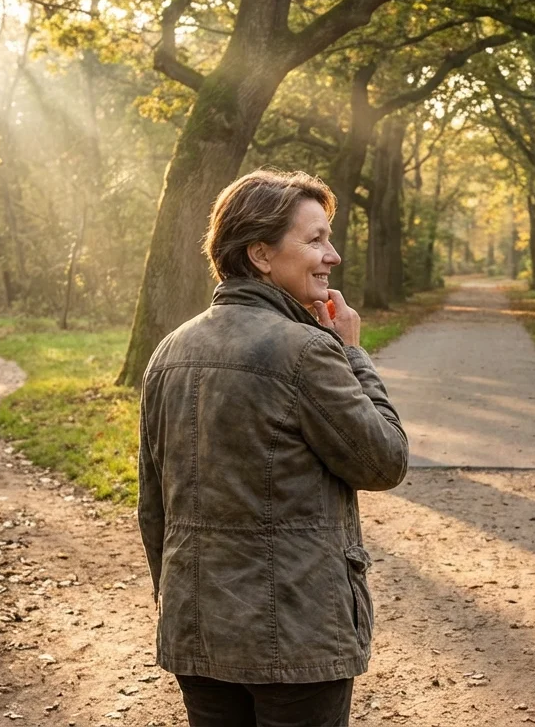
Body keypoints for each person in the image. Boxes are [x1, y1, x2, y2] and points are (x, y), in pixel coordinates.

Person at [136, 169, 409, 727]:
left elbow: (152, 508)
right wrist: (352, 353)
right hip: (296, 637)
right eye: (315, 240)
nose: (332, 256)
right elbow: (385, 461)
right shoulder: (307, 350)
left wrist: (179, 602)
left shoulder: (169, 350)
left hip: (196, 628)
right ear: (260, 254)